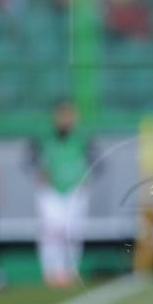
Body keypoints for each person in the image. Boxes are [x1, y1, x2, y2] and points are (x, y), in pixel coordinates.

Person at [32, 102, 93, 288]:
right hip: (51, 191)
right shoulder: (44, 139)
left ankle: (70, 271)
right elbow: (30, 161)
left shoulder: (82, 139)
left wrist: (84, 180)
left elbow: (97, 163)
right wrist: (41, 175)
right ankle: (52, 272)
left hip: (75, 190)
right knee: (52, 230)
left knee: (73, 231)